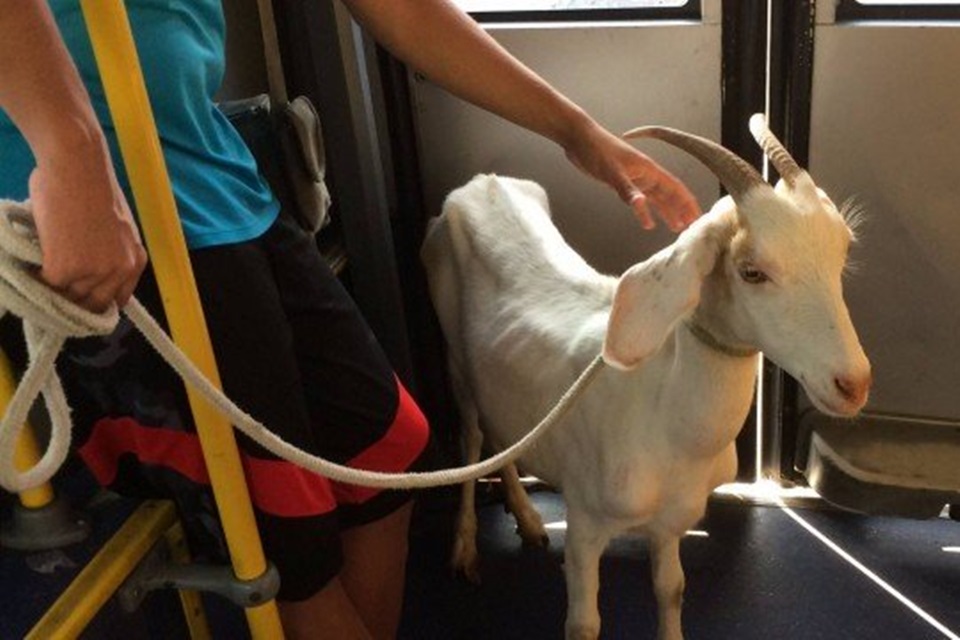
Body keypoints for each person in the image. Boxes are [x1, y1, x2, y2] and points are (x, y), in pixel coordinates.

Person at [0, 1, 700, 638]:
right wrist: (68, 149)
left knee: (389, 457)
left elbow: (400, 7)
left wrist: (573, 130)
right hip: (83, 204)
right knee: (285, 538)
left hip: (214, 177)